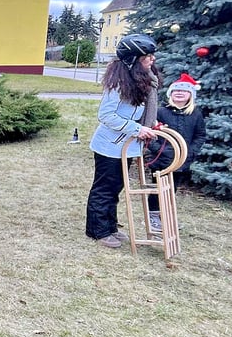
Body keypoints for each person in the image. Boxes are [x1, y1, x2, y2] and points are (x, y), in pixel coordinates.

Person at [86, 33, 160, 248]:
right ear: (134, 60)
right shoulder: (118, 84)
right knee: (104, 189)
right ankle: (98, 232)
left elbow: (141, 112)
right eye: (147, 57)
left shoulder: (143, 80)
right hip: (110, 146)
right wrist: (137, 129)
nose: (152, 60)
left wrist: (150, 125)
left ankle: (110, 227)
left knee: (115, 187)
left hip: (125, 146)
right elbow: (106, 115)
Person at [143, 72, 206, 231]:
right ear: (171, 93)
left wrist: (190, 152)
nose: (179, 93)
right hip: (161, 160)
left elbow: (200, 135)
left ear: (190, 95)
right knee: (158, 188)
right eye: (176, 90)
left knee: (172, 189)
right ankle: (153, 218)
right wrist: (160, 151)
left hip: (181, 161)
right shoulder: (161, 112)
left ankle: (166, 218)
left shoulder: (195, 114)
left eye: (184, 91)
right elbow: (150, 135)